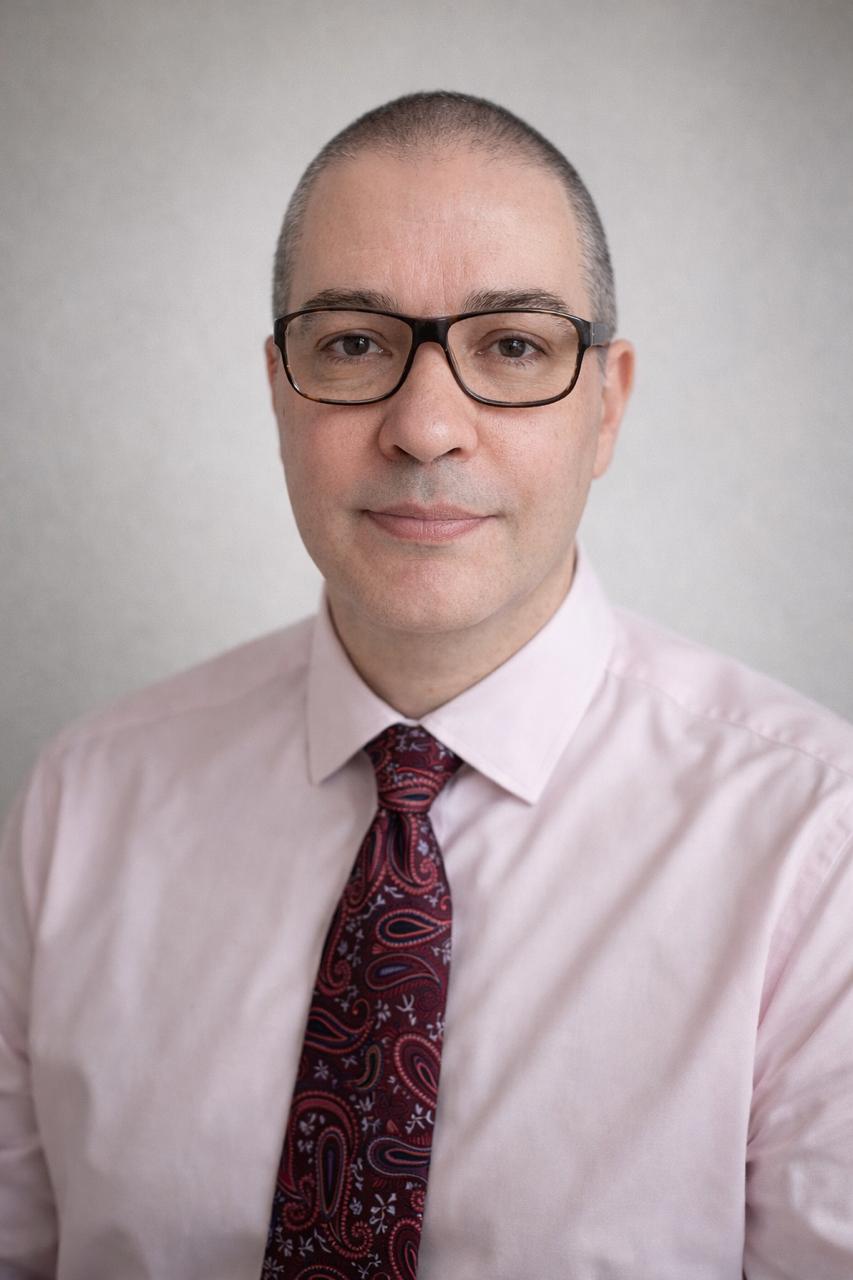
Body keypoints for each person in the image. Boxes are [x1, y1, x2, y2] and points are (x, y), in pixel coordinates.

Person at [1, 90, 852, 1280]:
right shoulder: (83, 802)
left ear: (605, 404)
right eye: (354, 342)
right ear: (279, 389)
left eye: (512, 346)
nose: (426, 425)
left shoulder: (816, 847)